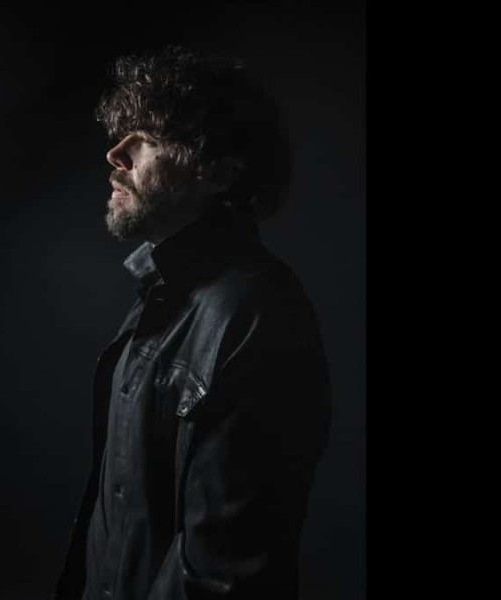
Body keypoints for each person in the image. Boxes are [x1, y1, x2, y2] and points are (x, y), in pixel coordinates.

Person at [54, 45, 332, 600]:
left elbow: (223, 574)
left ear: (218, 173)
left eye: (148, 139)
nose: (116, 154)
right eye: (123, 134)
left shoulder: (255, 315)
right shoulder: (162, 296)